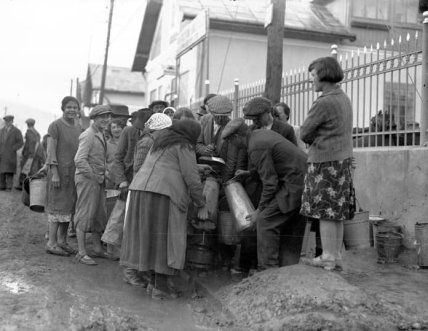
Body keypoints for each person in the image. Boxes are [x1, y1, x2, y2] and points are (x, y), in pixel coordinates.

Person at [121, 119, 209, 299]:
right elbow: (191, 179)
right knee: (164, 241)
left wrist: (197, 166)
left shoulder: (161, 142)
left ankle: (153, 284)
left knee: (149, 240)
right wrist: (201, 203)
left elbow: (167, 164)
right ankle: (160, 288)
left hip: (140, 190)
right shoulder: (185, 146)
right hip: (162, 194)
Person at [299, 56, 354, 271]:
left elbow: (304, 132)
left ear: (323, 75)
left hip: (325, 162)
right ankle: (335, 255)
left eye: (313, 75)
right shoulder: (343, 97)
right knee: (337, 211)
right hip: (342, 160)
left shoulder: (324, 102)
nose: (312, 80)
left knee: (325, 211)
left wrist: (312, 141)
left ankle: (328, 256)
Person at [245, 129, 307, 270]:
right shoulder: (260, 135)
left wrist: (258, 211)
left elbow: (270, 184)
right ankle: (288, 271)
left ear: (236, 137)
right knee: (292, 226)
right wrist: (250, 174)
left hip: (295, 184)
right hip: (304, 180)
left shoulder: (256, 146)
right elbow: (278, 163)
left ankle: (268, 273)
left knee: (265, 221)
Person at [113, 107, 153, 284]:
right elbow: (118, 159)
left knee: (133, 228)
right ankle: (129, 269)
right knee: (127, 228)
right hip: (130, 184)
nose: (139, 129)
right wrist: (122, 180)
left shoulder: (150, 137)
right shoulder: (130, 132)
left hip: (140, 185)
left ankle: (135, 267)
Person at [74, 105, 112, 265]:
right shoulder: (88, 135)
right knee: (85, 213)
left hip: (97, 179)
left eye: (108, 116)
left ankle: (97, 248)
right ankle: (81, 253)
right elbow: (79, 159)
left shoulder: (100, 133)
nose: (106, 120)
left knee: (98, 214)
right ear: (94, 118)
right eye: (102, 117)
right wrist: (94, 176)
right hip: (87, 180)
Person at [45, 96, 81, 256]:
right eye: (69, 107)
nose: (72, 110)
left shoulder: (79, 127)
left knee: (68, 208)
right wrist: (54, 173)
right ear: (63, 109)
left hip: (73, 174)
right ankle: (51, 243)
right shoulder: (55, 126)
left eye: (75, 107)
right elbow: (51, 151)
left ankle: (62, 241)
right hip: (58, 173)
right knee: (57, 208)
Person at [0, 115, 23, 191]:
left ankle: (9, 186)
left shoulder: (16, 131)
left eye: (8, 121)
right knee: (1, 170)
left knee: (9, 171)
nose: (7, 123)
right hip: (2, 153)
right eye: (6, 121)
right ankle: (2, 186)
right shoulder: (1, 130)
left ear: (12, 121)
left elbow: (20, 142)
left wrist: (13, 148)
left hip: (11, 154)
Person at [18, 118, 41, 189]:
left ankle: (22, 185)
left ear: (28, 124)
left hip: (28, 154)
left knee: (25, 169)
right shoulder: (37, 133)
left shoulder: (29, 132)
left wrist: (30, 154)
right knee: (30, 170)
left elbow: (31, 143)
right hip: (34, 154)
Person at [105, 119, 125, 189]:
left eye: (118, 127)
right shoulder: (106, 145)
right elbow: (101, 161)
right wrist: (106, 173)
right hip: (110, 181)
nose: (116, 130)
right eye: (113, 127)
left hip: (125, 181)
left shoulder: (128, 144)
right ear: (110, 130)